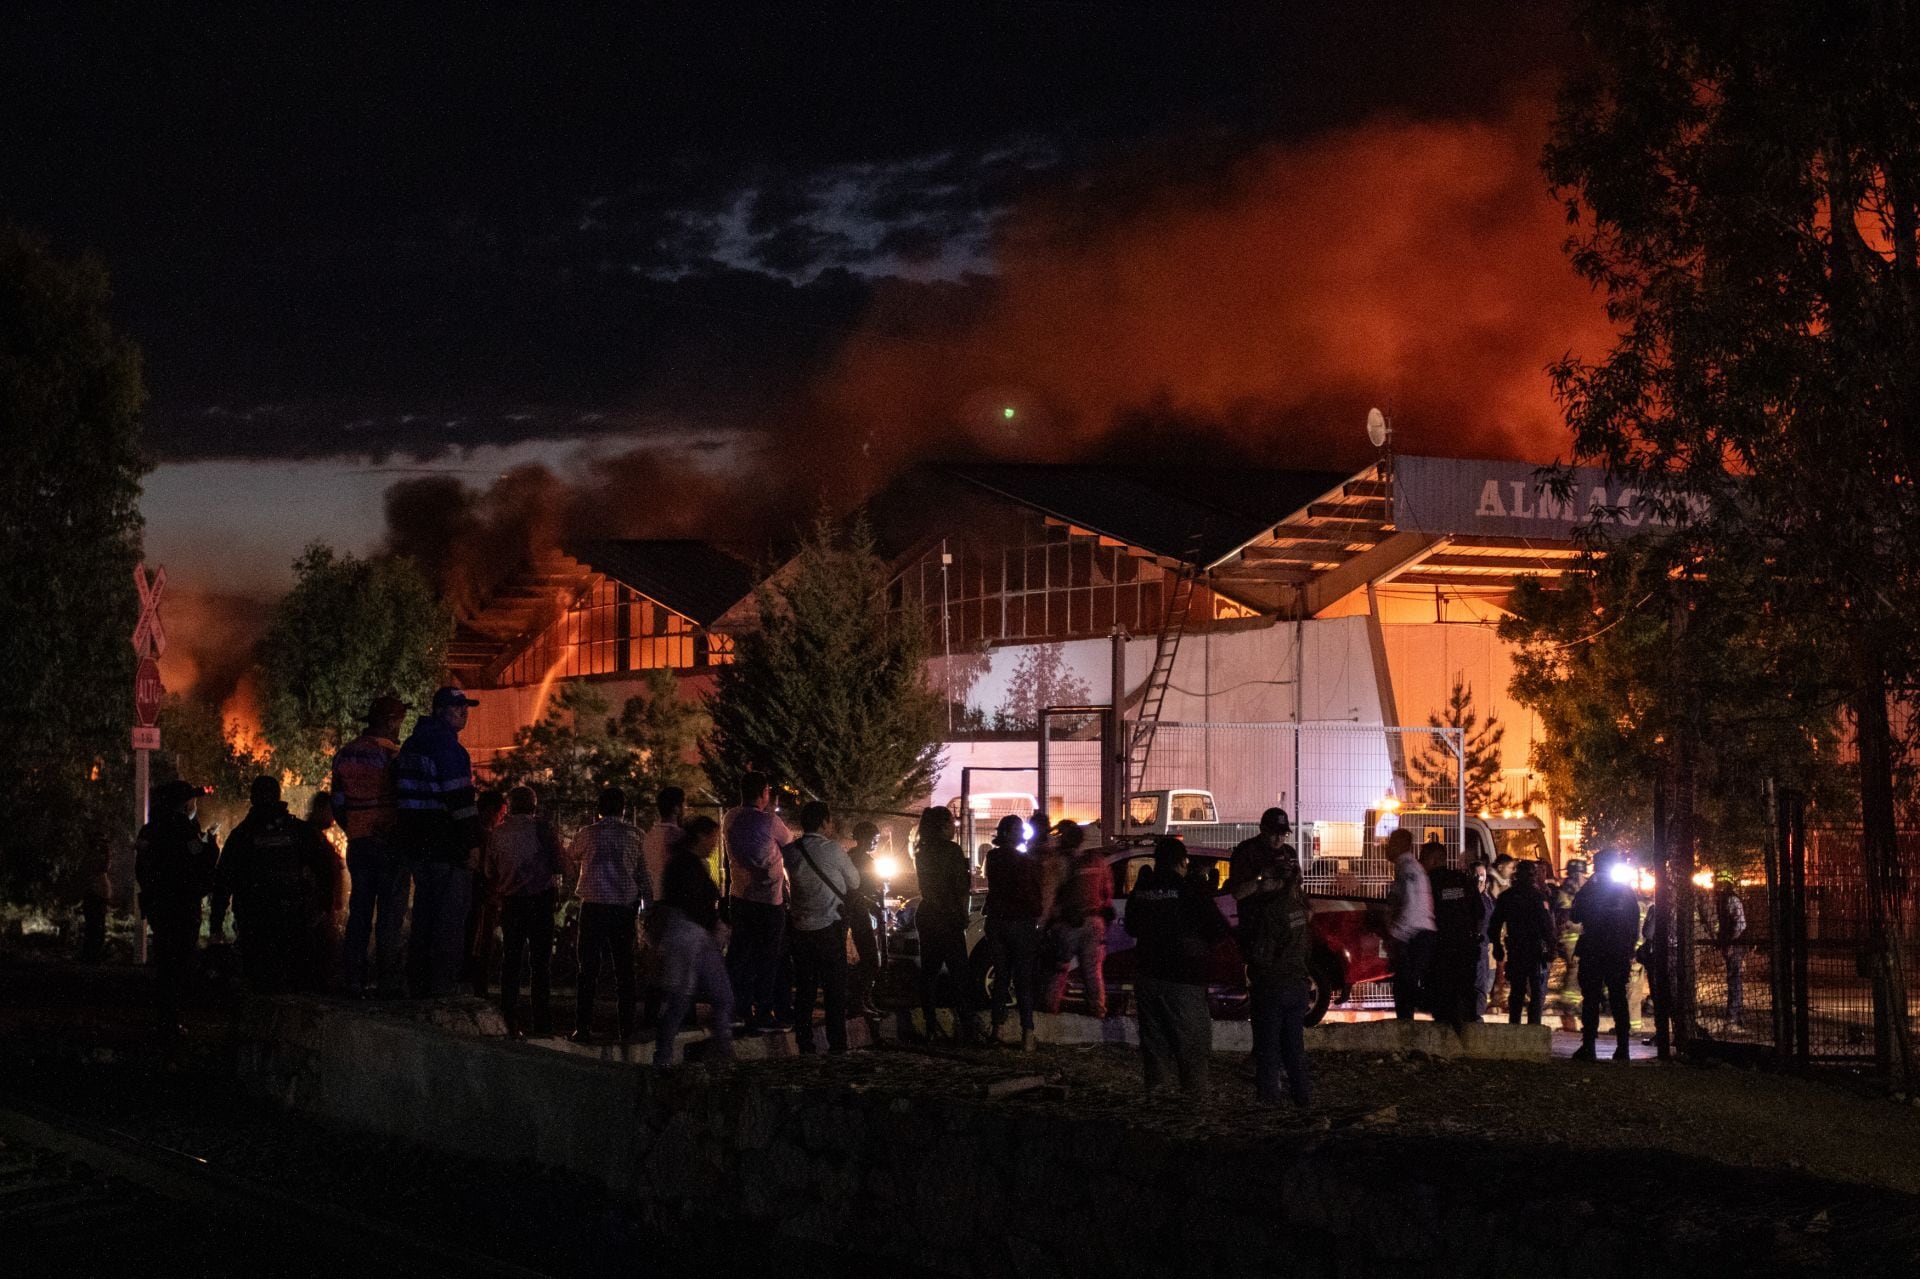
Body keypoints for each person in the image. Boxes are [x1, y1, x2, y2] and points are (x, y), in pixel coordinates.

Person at [395, 687, 484, 997]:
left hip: (417, 845)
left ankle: (417, 983)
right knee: (449, 919)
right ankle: (442, 989)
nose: (464, 713)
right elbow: (461, 801)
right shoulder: (449, 749)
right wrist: (472, 843)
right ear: (439, 711)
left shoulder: (410, 745)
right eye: (456, 708)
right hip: (446, 846)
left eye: (465, 707)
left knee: (423, 915)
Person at [1124, 837, 1230, 1093]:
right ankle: (1193, 1102)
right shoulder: (1190, 889)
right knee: (1192, 1046)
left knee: (1155, 1045)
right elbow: (1218, 929)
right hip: (1183, 980)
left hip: (1148, 977)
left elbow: (1131, 926)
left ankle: (1156, 1099)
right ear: (1183, 862)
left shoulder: (1143, 888)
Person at [218, 775, 337, 994]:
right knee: (292, 982)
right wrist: (323, 905)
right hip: (290, 917)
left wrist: (217, 922)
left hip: (256, 919)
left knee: (260, 982)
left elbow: (224, 879)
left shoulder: (242, 835)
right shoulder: (297, 831)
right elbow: (324, 870)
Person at [1229, 812, 1313, 1108]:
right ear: (1262, 830)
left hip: (1283, 949)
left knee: (1279, 1034)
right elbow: (1237, 892)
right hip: (1260, 937)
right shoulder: (1247, 853)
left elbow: (1298, 890)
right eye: (1274, 833)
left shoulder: (1288, 856)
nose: (1279, 839)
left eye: (1283, 834)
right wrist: (1262, 882)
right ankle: (1285, 1096)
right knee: (1278, 1033)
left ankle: (1275, 1097)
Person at [331, 694, 409, 998]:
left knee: (360, 912)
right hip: (390, 845)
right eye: (399, 720)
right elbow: (405, 800)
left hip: (359, 844)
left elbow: (338, 803)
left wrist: (355, 828)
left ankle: (355, 980)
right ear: (390, 722)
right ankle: (389, 982)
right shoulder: (393, 756)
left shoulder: (345, 755)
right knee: (391, 914)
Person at [134, 781, 217, 1031]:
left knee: (165, 960)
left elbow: (143, 869)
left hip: (160, 906)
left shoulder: (150, 830)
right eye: (191, 800)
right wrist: (211, 843)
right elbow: (202, 862)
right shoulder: (184, 829)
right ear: (183, 803)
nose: (194, 805)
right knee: (179, 962)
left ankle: (164, 1016)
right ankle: (170, 1019)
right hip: (182, 905)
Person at [568, 786, 649, 1044]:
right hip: (623, 908)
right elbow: (643, 875)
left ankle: (583, 1027)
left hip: (593, 907)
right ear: (623, 809)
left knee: (587, 969)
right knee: (624, 970)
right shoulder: (636, 835)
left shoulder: (587, 834)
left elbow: (571, 856)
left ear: (599, 809)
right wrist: (648, 905)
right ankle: (626, 1027)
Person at [653, 817, 734, 1067]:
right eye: (712, 837)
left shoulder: (682, 863)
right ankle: (718, 1052)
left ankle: (716, 1051)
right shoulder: (686, 865)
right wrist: (714, 924)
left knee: (707, 997)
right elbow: (694, 901)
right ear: (700, 835)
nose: (714, 844)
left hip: (692, 934)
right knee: (692, 998)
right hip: (690, 934)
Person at [485, 786, 562, 1038]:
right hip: (540, 901)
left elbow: (489, 871)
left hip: (512, 902)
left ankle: (509, 1019)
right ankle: (542, 1023)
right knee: (540, 964)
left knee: (512, 961)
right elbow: (560, 864)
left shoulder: (497, 834)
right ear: (533, 806)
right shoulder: (543, 829)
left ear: (510, 806)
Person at [785, 800, 860, 1054]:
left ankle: (804, 1042)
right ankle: (837, 1044)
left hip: (800, 928)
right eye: (829, 820)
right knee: (834, 988)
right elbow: (855, 881)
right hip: (829, 927)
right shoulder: (834, 851)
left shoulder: (791, 851)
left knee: (805, 988)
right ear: (824, 822)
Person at [724, 773, 792, 1035]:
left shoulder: (730, 817)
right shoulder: (770, 821)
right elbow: (790, 845)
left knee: (739, 956)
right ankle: (764, 1014)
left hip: (740, 897)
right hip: (768, 901)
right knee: (768, 958)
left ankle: (736, 1010)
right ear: (764, 792)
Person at [1570, 849, 1641, 1061]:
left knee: (1591, 999)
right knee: (1618, 998)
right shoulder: (1626, 892)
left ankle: (1589, 1047)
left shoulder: (1589, 891)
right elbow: (1634, 922)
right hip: (1617, 953)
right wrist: (1630, 949)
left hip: (1593, 950)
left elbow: (1575, 915)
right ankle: (1623, 1048)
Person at [983, 814, 1044, 1050]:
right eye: (1019, 829)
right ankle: (1027, 1034)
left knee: (1001, 977)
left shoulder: (993, 856)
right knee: (1023, 979)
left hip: (997, 921)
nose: (1023, 833)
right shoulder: (1025, 861)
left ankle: (996, 1030)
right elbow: (1031, 892)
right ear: (1008, 832)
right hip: (1020, 922)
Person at [911, 806, 972, 1041]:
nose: (954, 827)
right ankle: (966, 1026)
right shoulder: (952, 851)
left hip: (928, 914)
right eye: (952, 823)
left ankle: (930, 1026)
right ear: (943, 825)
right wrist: (961, 915)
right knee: (960, 974)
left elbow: (927, 887)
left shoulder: (922, 852)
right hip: (948, 917)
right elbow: (961, 888)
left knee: (929, 973)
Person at [1042, 820, 1113, 1019]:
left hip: (1068, 923)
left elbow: (1050, 894)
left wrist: (1044, 923)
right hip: (1095, 922)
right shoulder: (1099, 861)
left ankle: (1049, 1012)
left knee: (1059, 968)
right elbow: (1107, 893)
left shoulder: (1060, 862)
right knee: (1093, 971)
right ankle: (1098, 1011)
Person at [637, 787, 686, 1029]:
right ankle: (683, 1020)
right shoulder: (679, 837)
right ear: (677, 807)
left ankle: (650, 1017)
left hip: (654, 904)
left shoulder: (648, 836)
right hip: (676, 906)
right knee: (681, 965)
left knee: (657, 966)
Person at [1425, 837, 1484, 1028]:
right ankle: (1468, 1034)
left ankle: (1446, 1037)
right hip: (1467, 945)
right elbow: (1480, 911)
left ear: (1433, 860)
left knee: (1442, 993)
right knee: (1466, 990)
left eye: (1423, 859)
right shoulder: (1463, 880)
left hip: (1441, 947)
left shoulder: (1429, 883)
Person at [1487, 859, 1555, 1024]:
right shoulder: (1537, 897)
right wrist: (1551, 948)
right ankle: (1533, 1026)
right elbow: (1547, 926)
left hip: (1518, 949)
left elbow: (1494, 925)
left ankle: (1515, 1026)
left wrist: (1497, 946)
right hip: (1532, 950)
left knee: (1518, 991)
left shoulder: (1508, 897)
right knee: (1535, 991)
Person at [1383, 828, 1434, 1020]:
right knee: (1405, 986)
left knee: (1405, 987)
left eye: (1390, 843)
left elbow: (1412, 905)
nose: (1387, 847)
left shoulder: (1407, 868)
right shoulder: (1407, 867)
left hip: (1414, 935)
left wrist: (1395, 933)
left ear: (1399, 845)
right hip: (1418, 933)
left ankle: (1407, 1027)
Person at [465, 790, 509, 997]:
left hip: (479, 895)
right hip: (482, 896)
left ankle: (470, 983)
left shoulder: (472, 828)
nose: (501, 820)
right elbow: (485, 868)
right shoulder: (485, 835)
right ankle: (474, 986)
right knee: (479, 942)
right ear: (490, 811)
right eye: (500, 815)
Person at [305, 792, 347, 993]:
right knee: (321, 947)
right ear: (321, 809)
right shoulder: (311, 838)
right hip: (319, 908)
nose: (333, 817)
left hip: (325, 906)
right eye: (331, 811)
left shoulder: (316, 837)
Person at [845, 819, 885, 1020]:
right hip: (861, 912)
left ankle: (864, 1001)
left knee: (866, 959)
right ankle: (859, 1002)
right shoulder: (864, 860)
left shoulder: (850, 856)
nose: (876, 842)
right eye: (874, 838)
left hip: (853, 912)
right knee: (870, 959)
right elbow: (866, 886)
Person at [1552, 857, 1589, 1012]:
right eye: (1580, 875)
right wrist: (1582, 929)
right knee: (1575, 966)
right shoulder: (1565, 894)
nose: (1582, 879)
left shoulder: (1578, 891)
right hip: (1570, 938)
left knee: (1579, 967)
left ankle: (1572, 999)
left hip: (1577, 937)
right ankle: (1568, 1001)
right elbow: (1565, 919)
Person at [1712, 876, 1748, 1027]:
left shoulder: (1731, 900)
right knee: (1733, 977)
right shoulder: (1723, 900)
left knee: (1734, 977)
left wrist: (1730, 943)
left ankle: (1734, 1013)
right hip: (1731, 943)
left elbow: (1740, 925)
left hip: (1735, 944)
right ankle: (1735, 1012)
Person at [1473, 861, 1497, 1016]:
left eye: (1482, 876)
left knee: (1485, 984)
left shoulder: (1486, 898)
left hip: (1486, 947)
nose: (1479, 880)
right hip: (1475, 946)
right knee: (1477, 985)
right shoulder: (1469, 897)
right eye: (1477, 876)